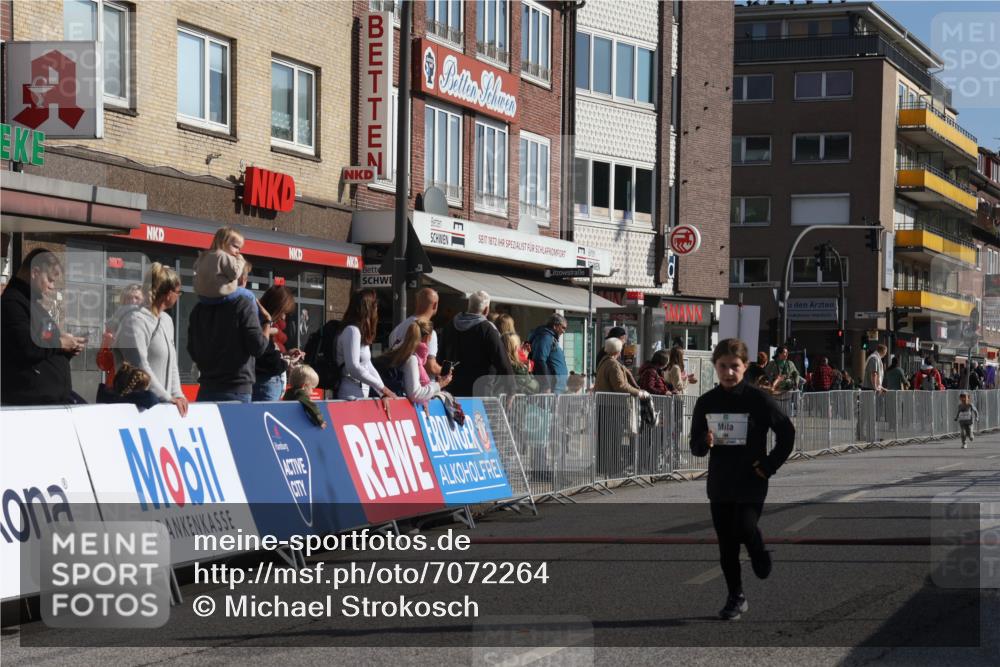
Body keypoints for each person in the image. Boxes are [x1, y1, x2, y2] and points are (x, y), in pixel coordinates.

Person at [690, 338, 795, 621]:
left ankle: (757, 548)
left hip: (752, 478)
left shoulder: (758, 399)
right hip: (721, 481)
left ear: (745, 366)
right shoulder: (706, 402)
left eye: (734, 366)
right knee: (727, 542)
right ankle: (735, 596)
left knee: (745, 527)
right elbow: (695, 447)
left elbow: (787, 433)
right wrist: (704, 441)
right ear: (715, 366)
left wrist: (769, 465)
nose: (728, 372)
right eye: (723, 366)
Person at [1, 249, 86, 405]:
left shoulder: (33, 306)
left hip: (49, 400)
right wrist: (60, 343)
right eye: (50, 280)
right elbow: (27, 347)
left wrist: (67, 350)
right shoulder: (12, 303)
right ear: (35, 272)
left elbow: (44, 349)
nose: (52, 287)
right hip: (30, 403)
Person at [112, 263, 189, 416]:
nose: (178, 296)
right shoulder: (134, 321)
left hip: (160, 408)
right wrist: (167, 397)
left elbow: (172, 363)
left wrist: (177, 394)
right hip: (136, 409)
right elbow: (139, 365)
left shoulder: (166, 320)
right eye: (178, 292)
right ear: (168, 294)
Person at [187, 265, 271, 403]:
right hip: (236, 389)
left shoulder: (199, 308)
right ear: (242, 279)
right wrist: (267, 322)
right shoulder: (244, 304)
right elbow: (258, 347)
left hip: (207, 386)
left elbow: (193, 350)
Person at [438, 291, 514, 397]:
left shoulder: (450, 325)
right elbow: (501, 360)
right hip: (480, 391)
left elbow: (440, 357)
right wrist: (511, 388)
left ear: (469, 306)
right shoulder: (487, 329)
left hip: (452, 389)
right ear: (486, 310)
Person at [594, 337, 650, 478]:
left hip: (604, 404)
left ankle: (604, 468)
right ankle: (614, 470)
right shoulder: (613, 365)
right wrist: (639, 392)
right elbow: (620, 386)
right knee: (614, 439)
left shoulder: (603, 362)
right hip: (613, 406)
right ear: (618, 351)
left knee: (606, 439)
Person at [192, 227, 269, 322]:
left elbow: (195, 268)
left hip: (203, 296)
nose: (238, 251)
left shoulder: (204, 255)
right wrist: (241, 260)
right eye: (236, 246)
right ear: (223, 242)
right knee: (249, 295)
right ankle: (257, 321)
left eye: (239, 248)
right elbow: (235, 274)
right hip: (220, 295)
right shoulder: (223, 255)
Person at [336, 289, 396, 400]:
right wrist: (382, 388)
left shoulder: (359, 332)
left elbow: (368, 365)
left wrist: (382, 391)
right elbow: (353, 367)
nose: (377, 310)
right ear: (368, 308)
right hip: (350, 394)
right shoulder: (352, 331)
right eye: (375, 306)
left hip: (360, 393)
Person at [383, 320, 452, 405]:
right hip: (400, 407)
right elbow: (415, 394)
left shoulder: (399, 351)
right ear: (428, 338)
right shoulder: (411, 359)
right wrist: (439, 384)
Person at [252, 285, 301, 401]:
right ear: (277, 307)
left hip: (265, 386)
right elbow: (268, 361)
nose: (283, 317)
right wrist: (287, 362)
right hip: (264, 386)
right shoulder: (260, 323)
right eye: (283, 312)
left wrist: (285, 355)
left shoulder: (259, 321)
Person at [97, 283, 143, 387]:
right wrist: (105, 344)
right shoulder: (113, 325)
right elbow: (103, 365)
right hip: (117, 385)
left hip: (142, 383)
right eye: (128, 298)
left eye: (137, 298)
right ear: (123, 301)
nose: (132, 301)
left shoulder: (149, 324)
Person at [388, 287, 441, 377]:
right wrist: (446, 370)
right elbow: (431, 367)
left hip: (398, 381)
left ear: (417, 303)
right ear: (435, 305)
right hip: (420, 383)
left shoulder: (397, 329)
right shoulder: (428, 332)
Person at [497, 315, 539, 395]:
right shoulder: (518, 368)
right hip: (516, 402)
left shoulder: (494, 364)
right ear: (516, 348)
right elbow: (534, 388)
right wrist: (528, 371)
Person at [528, 313, 569, 394]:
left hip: (556, 387)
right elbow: (539, 360)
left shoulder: (549, 337)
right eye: (563, 328)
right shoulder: (546, 337)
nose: (564, 331)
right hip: (551, 388)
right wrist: (546, 385)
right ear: (555, 326)